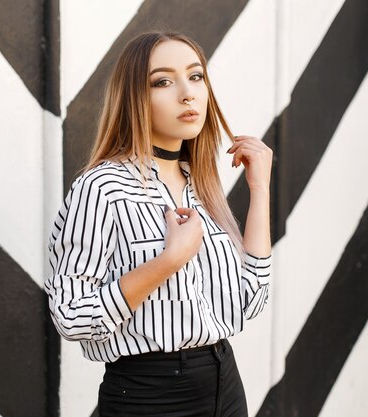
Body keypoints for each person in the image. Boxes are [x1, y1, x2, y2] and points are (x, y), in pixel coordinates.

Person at [44, 30, 273, 417]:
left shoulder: (201, 187)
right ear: (135, 98)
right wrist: (168, 262)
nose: (187, 93)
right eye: (163, 81)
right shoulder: (102, 187)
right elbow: (70, 315)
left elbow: (251, 298)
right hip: (150, 396)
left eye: (196, 76)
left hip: (225, 386)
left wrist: (260, 189)